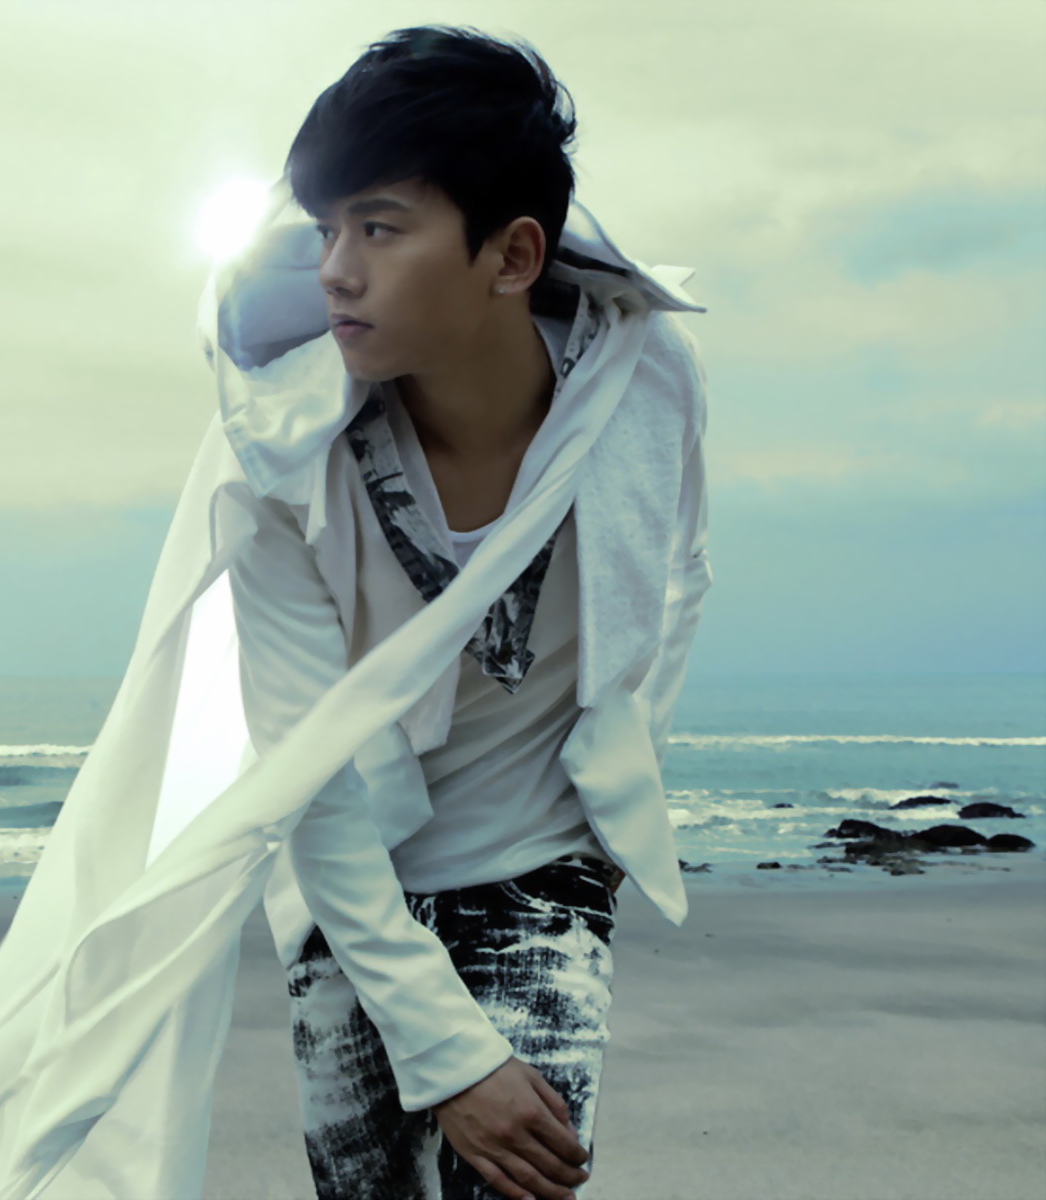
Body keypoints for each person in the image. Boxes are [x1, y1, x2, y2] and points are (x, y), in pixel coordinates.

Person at [225, 24, 710, 1200]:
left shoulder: (645, 383)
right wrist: (443, 1051)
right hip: (351, 879)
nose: (336, 269)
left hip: (543, 866)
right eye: (325, 229)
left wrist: (616, 795)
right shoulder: (279, 457)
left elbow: (677, 579)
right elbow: (305, 773)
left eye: (379, 227)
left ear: (511, 254)